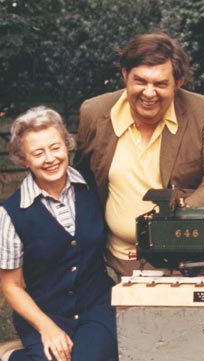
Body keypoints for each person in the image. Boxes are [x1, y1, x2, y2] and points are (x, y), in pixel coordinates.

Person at [74, 32, 204, 278]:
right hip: (116, 260)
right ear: (125, 75)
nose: (149, 92)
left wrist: (175, 218)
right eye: (140, 81)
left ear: (178, 83)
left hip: (183, 255)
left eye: (160, 84)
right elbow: (82, 179)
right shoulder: (94, 113)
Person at [0, 106, 117, 361]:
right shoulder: (10, 213)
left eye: (55, 147)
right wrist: (47, 328)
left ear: (67, 145)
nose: (50, 158)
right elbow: (12, 286)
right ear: (24, 159)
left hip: (96, 309)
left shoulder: (92, 186)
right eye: (38, 153)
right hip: (44, 314)